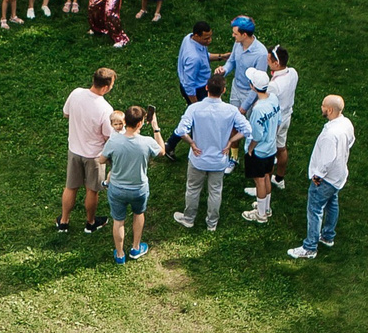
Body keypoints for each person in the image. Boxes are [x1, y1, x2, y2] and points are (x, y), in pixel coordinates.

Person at [172, 73, 249, 230]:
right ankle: (212, 224)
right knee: (215, 191)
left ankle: (189, 219)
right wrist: (231, 142)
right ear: (224, 90)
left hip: (198, 158)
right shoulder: (231, 110)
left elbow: (181, 130)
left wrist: (192, 143)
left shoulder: (194, 108)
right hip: (219, 159)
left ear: (206, 88)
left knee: (193, 189)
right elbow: (247, 130)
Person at [287, 96, 355, 257]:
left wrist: (318, 176)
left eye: (323, 105)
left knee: (315, 209)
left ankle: (310, 247)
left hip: (326, 178)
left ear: (329, 110)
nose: (321, 107)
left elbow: (326, 160)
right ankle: (328, 236)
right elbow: (351, 141)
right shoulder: (346, 123)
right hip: (339, 175)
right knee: (332, 203)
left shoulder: (330, 134)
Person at [101, 103, 163, 261]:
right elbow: (162, 151)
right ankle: (135, 248)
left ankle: (120, 255)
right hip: (138, 189)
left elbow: (101, 160)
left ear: (125, 122)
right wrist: (156, 127)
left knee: (118, 220)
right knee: (138, 214)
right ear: (141, 123)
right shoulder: (147, 142)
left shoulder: (114, 142)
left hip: (117, 188)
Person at [59, 67, 118, 232]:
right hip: (94, 157)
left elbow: (66, 114)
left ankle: (64, 221)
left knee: (70, 187)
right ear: (105, 87)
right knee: (92, 190)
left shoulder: (76, 93)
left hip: (74, 150)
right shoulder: (106, 109)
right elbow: (108, 136)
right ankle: (91, 223)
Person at [239, 67, 283, 222]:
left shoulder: (258, 109)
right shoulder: (274, 99)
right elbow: (278, 122)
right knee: (267, 176)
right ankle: (266, 207)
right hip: (271, 147)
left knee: (259, 181)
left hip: (259, 151)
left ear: (252, 86)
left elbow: (256, 135)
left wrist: (250, 148)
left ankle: (261, 215)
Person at [265, 45, 299, 189]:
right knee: (281, 147)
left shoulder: (274, 85)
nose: (267, 62)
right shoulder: (293, 72)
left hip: (275, 120)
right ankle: (279, 179)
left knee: (267, 152)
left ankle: (263, 185)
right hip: (287, 116)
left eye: (268, 60)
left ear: (276, 63)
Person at [218, 16, 268, 92]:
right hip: (235, 88)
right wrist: (224, 70)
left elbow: (259, 84)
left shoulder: (261, 54)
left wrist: (245, 104)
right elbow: (231, 61)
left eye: (235, 34)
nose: (233, 35)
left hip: (249, 92)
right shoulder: (237, 43)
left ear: (244, 35)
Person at [177, 18, 215, 103]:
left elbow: (203, 57)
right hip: (198, 90)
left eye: (210, 37)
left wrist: (221, 57)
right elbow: (189, 84)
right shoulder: (194, 59)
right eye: (206, 38)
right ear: (197, 36)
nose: (209, 40)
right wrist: (195, 105)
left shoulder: (189, 37)